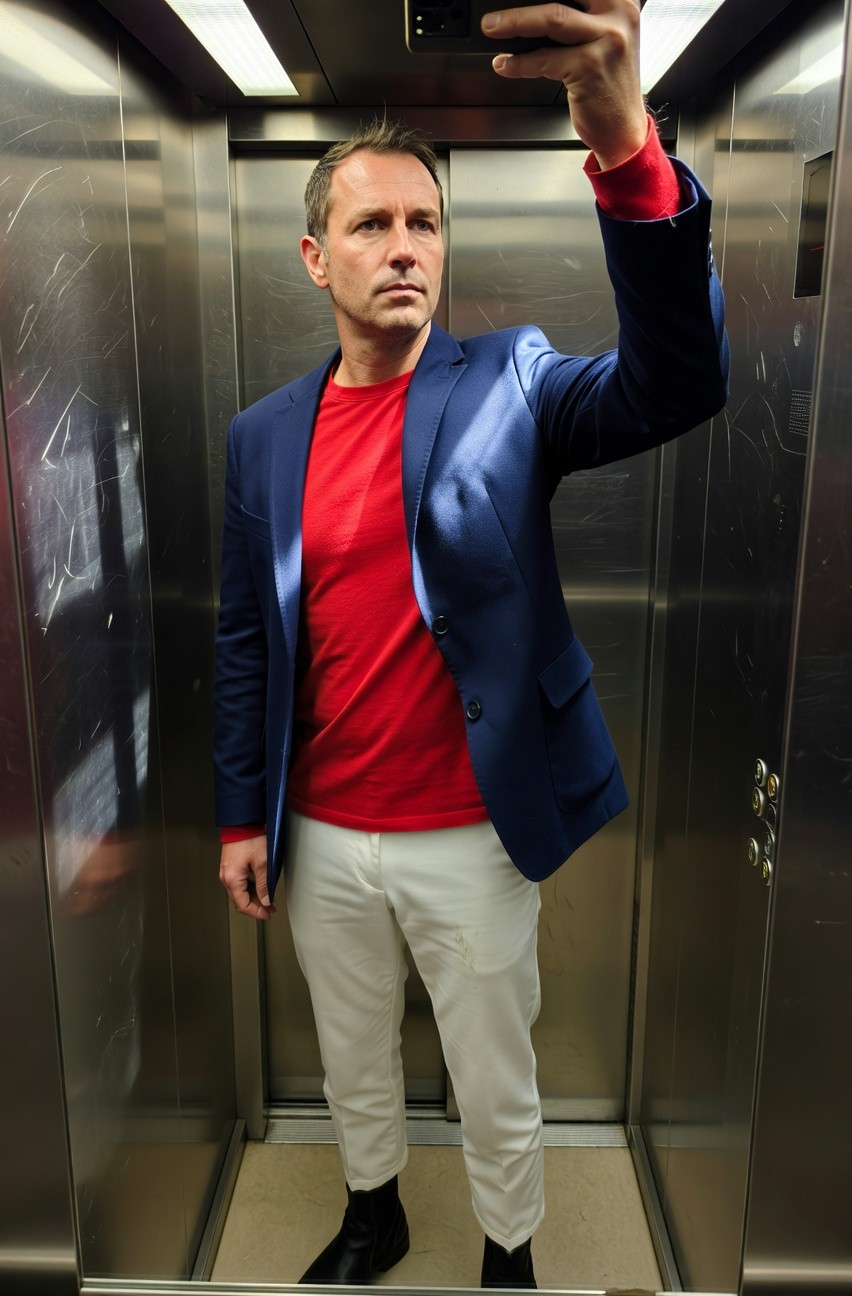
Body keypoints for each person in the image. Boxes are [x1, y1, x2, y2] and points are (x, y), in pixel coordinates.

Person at [214, 1, 728, 1287]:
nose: (405, 247)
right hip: (321, 825)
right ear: (314, 257)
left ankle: (510, 1246)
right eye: (371, 225)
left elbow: (677, 382)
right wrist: (239, 814)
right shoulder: (260, 437)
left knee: (495, 1062)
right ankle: (373, 1213)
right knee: (350, 1049)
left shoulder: (513, 381)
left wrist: (626, 150)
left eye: (425, 223)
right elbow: (245, 638)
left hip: (472, 826)